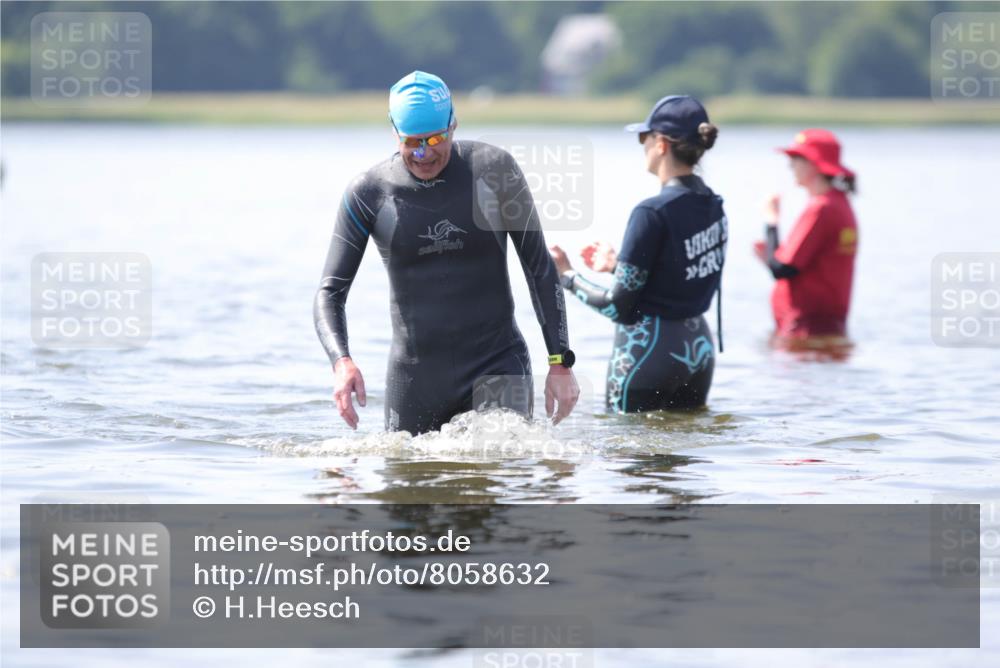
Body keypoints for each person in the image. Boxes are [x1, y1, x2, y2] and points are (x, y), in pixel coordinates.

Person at [314, 71, 579, 434]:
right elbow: (330, 292)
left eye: (435, 138)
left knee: (503, 470)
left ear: (453, 123)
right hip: (416, 378)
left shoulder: (494, 170)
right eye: (413, 142)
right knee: (409, 484)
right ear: (394, 132)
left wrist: (560, 362)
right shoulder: (369, 193)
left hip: (497, 365)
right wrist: (341, 362)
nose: (424, 153)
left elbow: (539, 268)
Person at [549, 95, 726, 413]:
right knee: (685, 454)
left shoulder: (650, 211)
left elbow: (618, 307)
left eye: (644, 137)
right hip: (698, 349)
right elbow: (679, 277)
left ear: (661, 144)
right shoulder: (714, 206)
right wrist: (620, 265)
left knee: (628, 454)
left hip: (648, 351)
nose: (642, 145)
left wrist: (566, 275)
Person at [754, 129, 858, 341]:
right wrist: (770, 258)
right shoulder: (840, 203)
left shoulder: (822, 208)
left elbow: (783, 268)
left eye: (795, 159)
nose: (790, 166)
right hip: (824, 328)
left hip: (806, 331)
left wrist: (771, 220)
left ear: (814, 165)